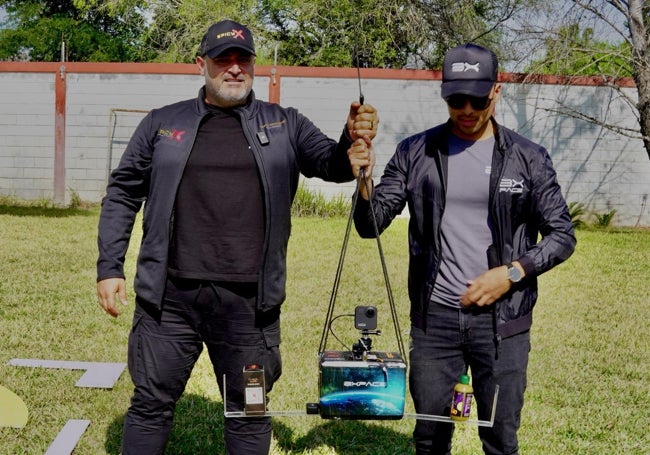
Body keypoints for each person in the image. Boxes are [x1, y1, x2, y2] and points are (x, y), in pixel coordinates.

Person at [96, 20, 378, 455]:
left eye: (242, 59)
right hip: (169, 300)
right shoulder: (162, 124)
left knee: (249, 410)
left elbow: (332, 164)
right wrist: (109, 266)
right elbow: (122, 192)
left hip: (249, 308)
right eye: (222, 59)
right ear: (201, 64)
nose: (233, 68)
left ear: (253, 65)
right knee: (150, 406)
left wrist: (351, 141)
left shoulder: (285, 123)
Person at [347, 43, 576, 454]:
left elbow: (562, 235)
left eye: (477, 99)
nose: (467, 109)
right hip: (435, 321)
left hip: (503, 324)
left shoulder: (528, 158)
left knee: (500, 438)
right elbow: (371, 224)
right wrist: (364, 178)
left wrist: (511, 274)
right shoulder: (416, 152)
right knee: (430, 438)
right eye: (456, 100)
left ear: (496, 91)